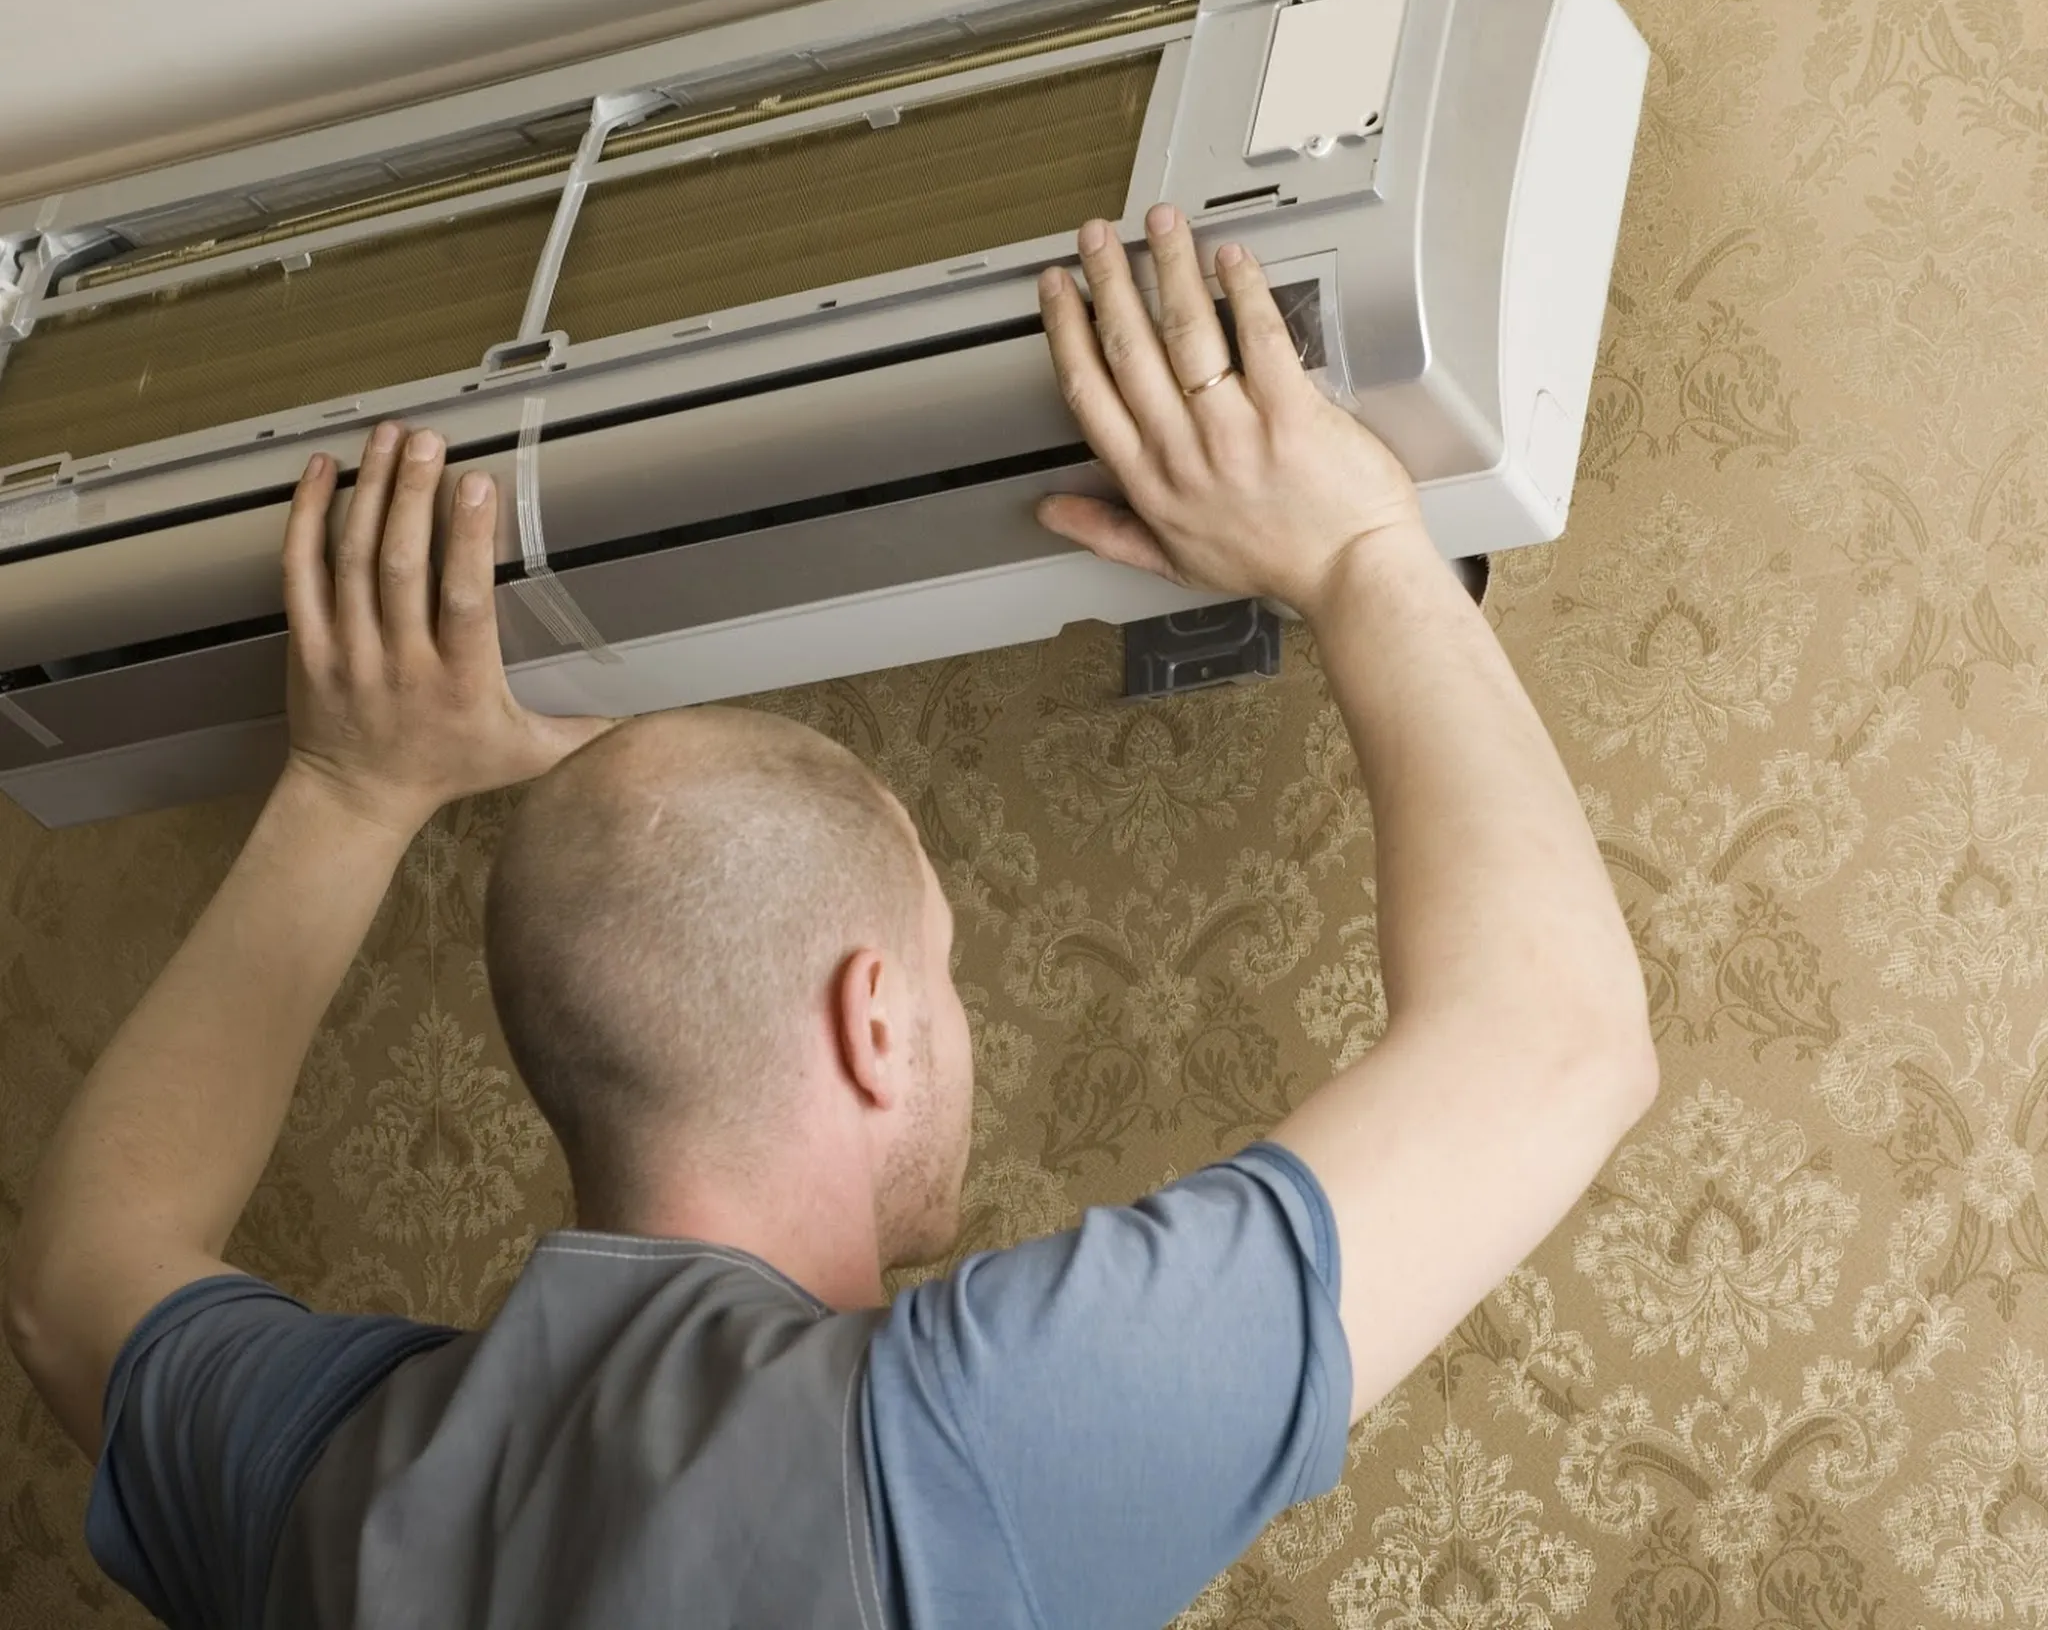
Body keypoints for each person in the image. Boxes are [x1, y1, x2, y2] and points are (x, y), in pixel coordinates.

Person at [2, 203, 1658, 1628]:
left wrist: (347, 791)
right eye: (944, 972)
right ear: (872, 1021)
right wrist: (1365, 548)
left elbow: (71, 1284)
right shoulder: (957, 1442)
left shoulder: (331, 1479)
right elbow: (1558, 1044)